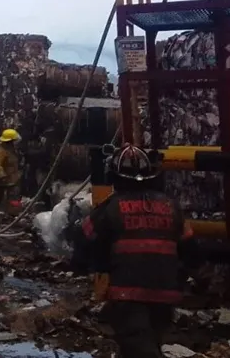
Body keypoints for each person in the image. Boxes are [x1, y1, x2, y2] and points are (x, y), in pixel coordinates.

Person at [72, 144, 195, 358]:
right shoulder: (171, 206)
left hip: (127, 293)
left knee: (139, 347)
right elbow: (191, 249)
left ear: (114, 177)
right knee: (148, 340)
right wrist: (192, 276)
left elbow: (84, 237)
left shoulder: (110, 208)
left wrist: (82, 266)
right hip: (166, 294)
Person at [0, 129, 22, 224]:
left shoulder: (12, 150)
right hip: (1, 180)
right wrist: (2, 176)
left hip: (12, 179)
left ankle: (11, 217)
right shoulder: (0, 151)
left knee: (14, 199)